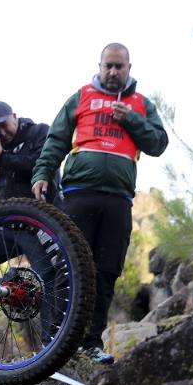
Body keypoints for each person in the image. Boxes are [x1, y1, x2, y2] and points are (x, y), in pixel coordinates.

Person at [31, 42, 168, 364]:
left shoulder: (141, 104)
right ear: (100, 66)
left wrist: (132, 119)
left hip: (119, 200)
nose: (113, 71)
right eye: (108, 65)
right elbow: (56, 139)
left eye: (119, 66)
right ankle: (53, 340)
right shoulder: (81, 96)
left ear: (129, 69)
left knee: (106, 272)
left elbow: (158, 144)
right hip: (79, 193)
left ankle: (91, 343)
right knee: (67, 264)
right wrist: (42, 172)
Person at [0, 100, 61, 205]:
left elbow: (43, 164)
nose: (2, 132)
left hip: (44, 210)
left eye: (4, 124)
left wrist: (2, 158)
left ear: (14, 116)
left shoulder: (40, 132)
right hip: (7, 212)